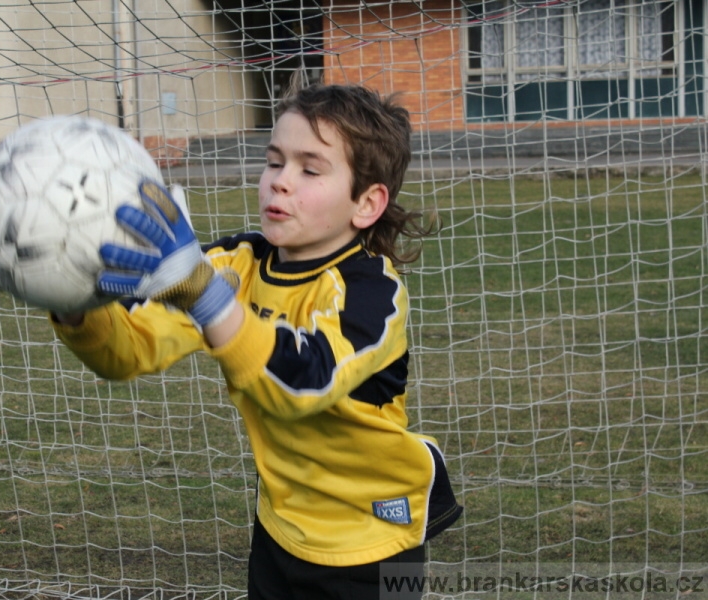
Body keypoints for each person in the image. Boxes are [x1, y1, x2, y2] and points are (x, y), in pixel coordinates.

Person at [50, 83, 463, 599]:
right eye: (274, 162)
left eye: (310, 170)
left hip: (374, 540)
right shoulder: (236, 264)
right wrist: (75, 303)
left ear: (366, 203)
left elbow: (305, 382)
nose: (280, 182)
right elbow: (128, 351)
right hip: (280, 527)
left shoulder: (371, 292)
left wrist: (208, 300)